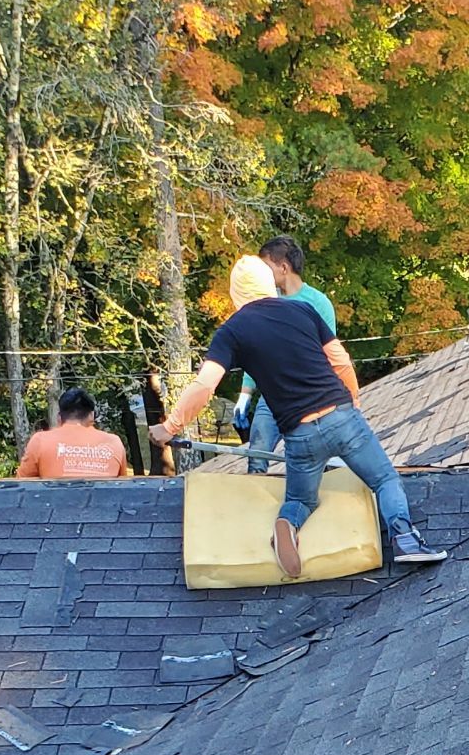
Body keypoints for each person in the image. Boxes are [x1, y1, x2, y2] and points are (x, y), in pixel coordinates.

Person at [151, 255, 444, 573]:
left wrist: (170, 426)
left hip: (299, 435)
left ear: (236, 294)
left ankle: (287, 525)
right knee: (385, 479)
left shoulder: (231, 332)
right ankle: (406, 540)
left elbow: (205, 385)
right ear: (268, 284)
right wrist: (353, 405)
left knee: (302, 500)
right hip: (340, 416)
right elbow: (341, 361)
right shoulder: (303, 309)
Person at [242, 235, 347, 472]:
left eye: (266, 268)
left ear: (283, 267)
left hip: (307, 397)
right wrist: (244, 394)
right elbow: (257, 352)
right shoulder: (266, 302)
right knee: (256, 455)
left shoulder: (317, 303)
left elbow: (330, 355)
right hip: (271, 396)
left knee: (313, 458)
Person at [16, 388, 132, 479]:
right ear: (91, 415)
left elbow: (22, 486)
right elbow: (121, 487)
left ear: (59, 418)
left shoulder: (40, 441)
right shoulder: (113, 442)